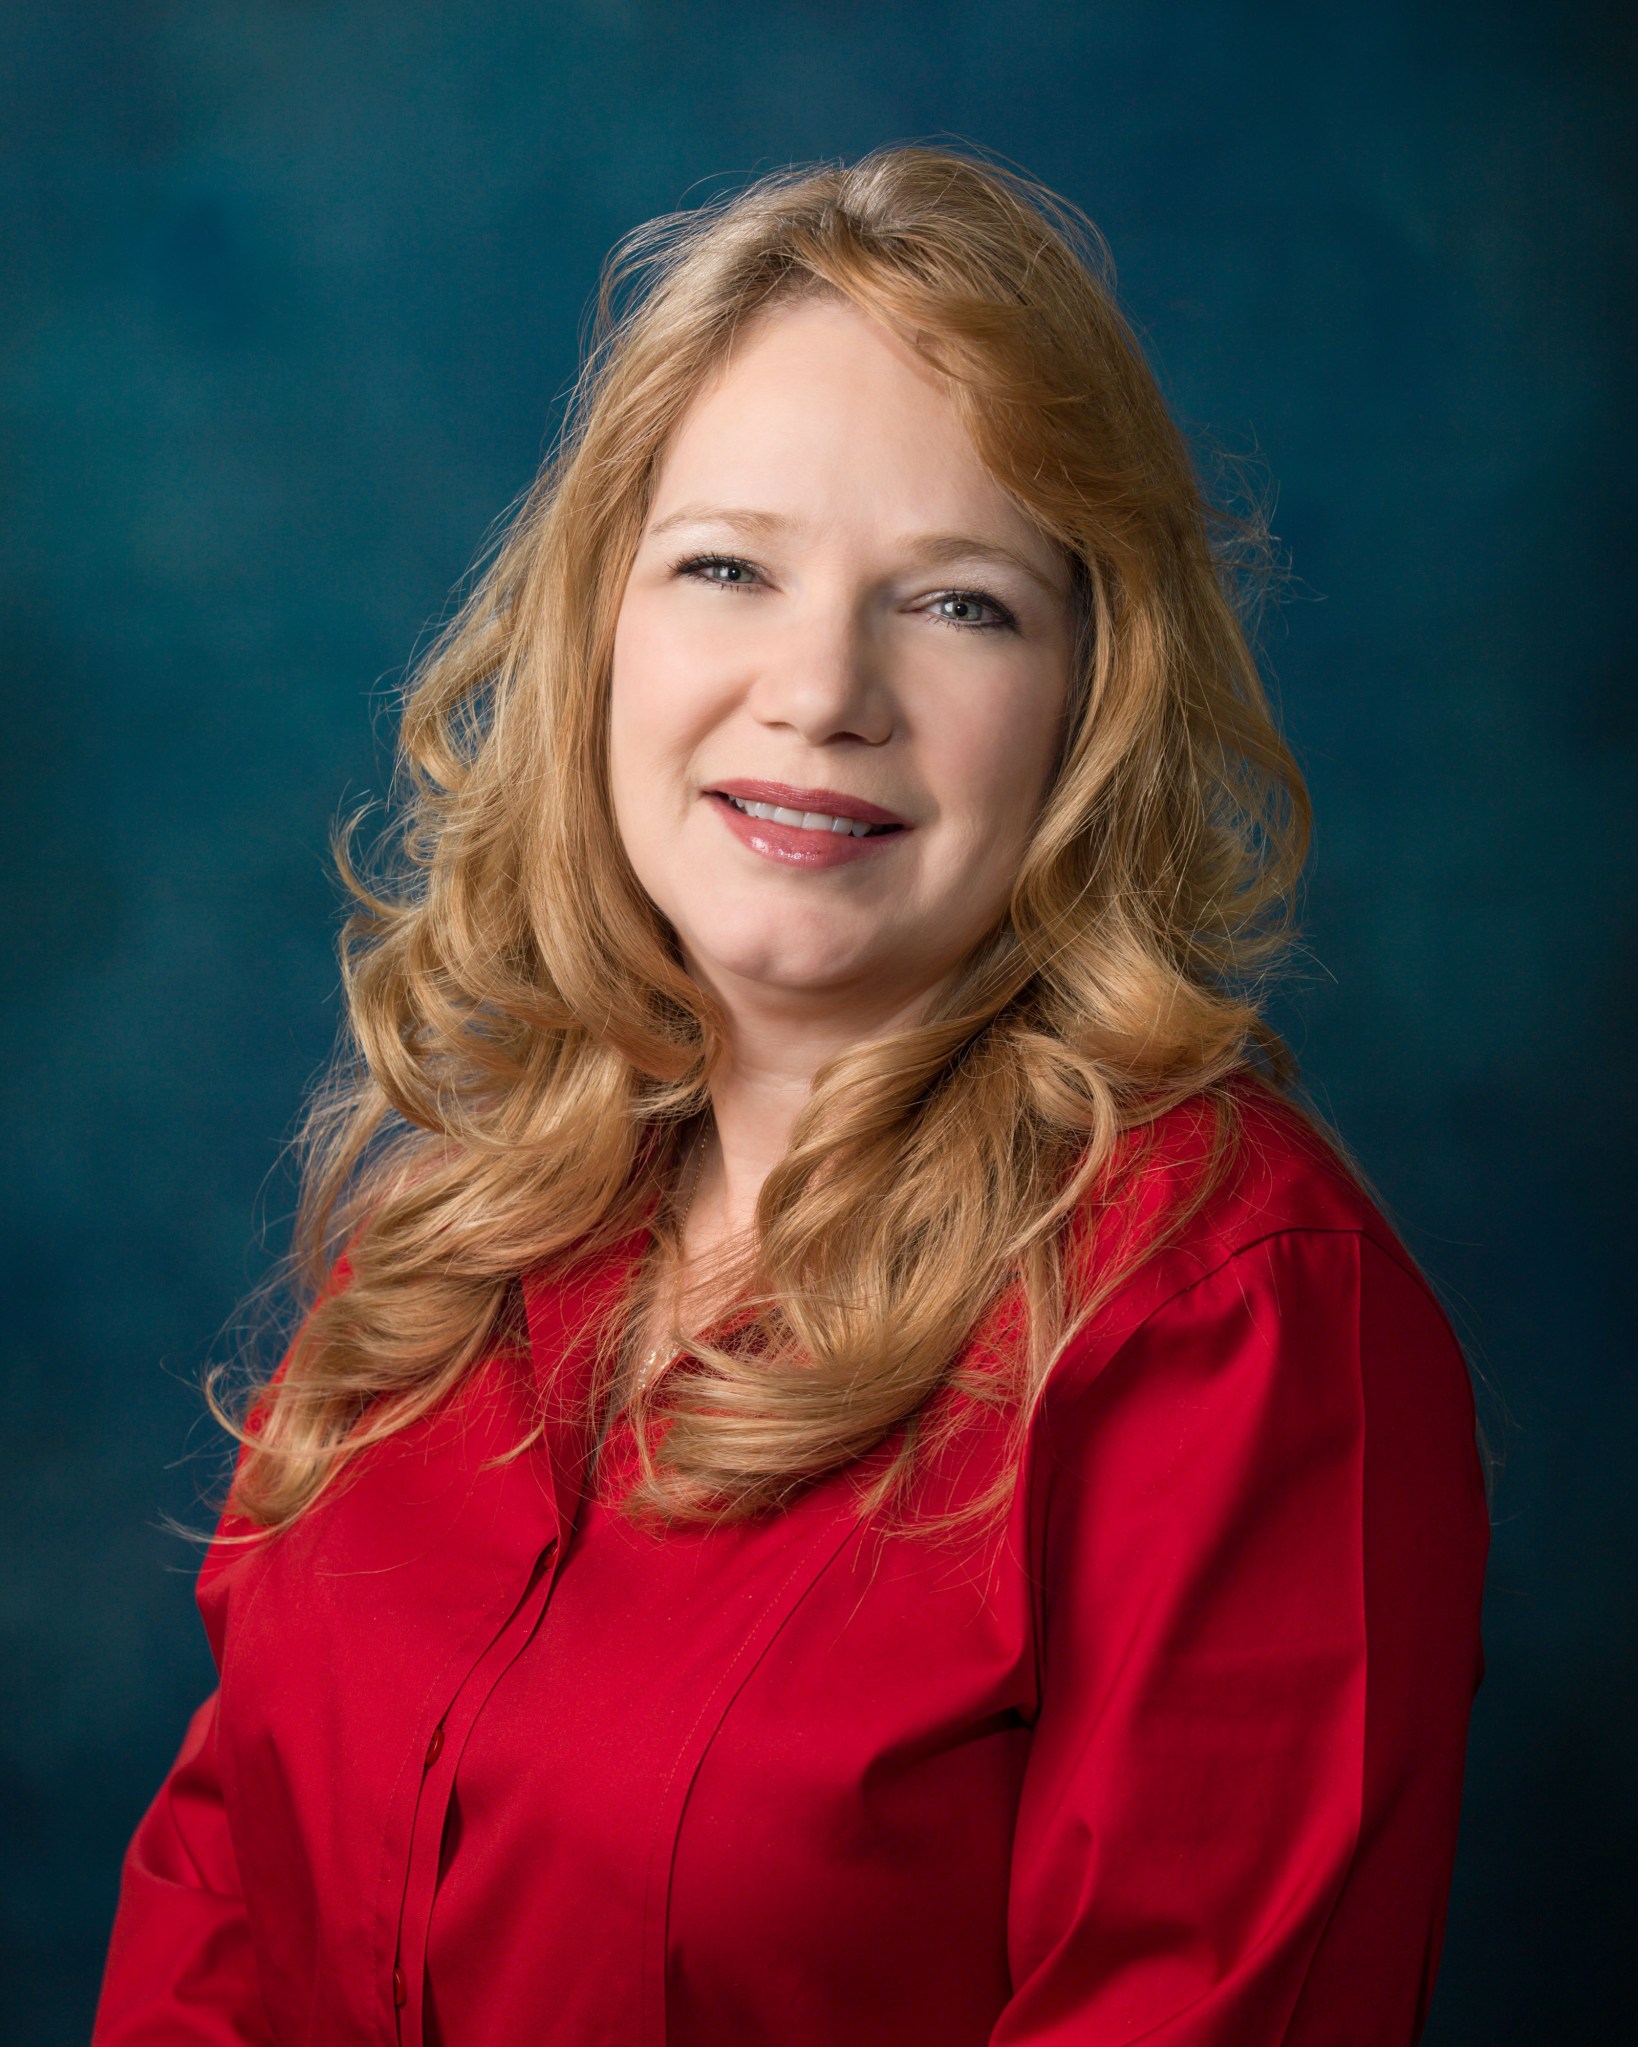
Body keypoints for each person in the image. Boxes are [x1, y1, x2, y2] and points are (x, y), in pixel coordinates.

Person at [93, 146, 1488, 2046]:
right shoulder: (470, 1224)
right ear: (603, 625)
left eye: (961, 605)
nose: (818, 687)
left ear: (1094, 697)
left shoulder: (1233, 1321)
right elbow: (222, 1899)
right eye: (727, 567)